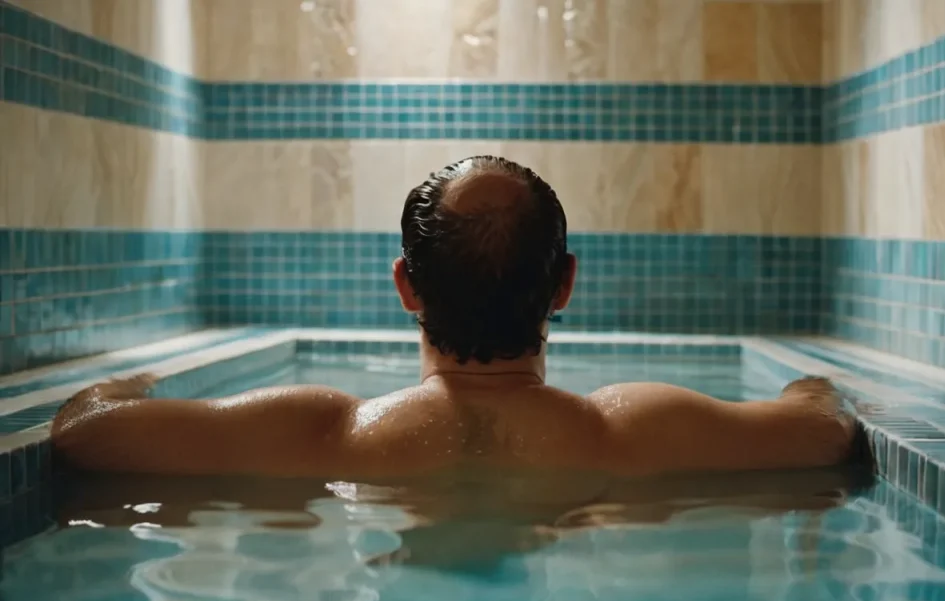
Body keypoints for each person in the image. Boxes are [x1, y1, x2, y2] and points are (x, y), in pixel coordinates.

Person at [52, 156, 864, 480]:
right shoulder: (635, 428)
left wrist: (132, 380)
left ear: (406, 286)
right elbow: (824, 429)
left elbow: (84, 432)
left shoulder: (321, 432)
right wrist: (807, 383)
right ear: (564, 286)